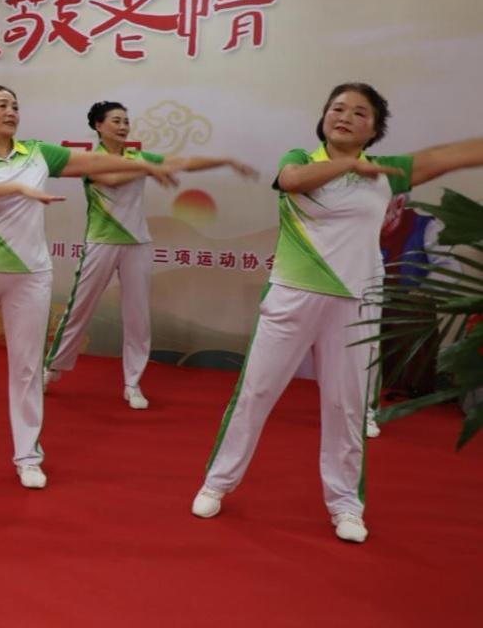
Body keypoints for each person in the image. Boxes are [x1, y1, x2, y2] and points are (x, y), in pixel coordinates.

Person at [193, 83, 482, 543]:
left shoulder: (390, 173)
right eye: (338, 108)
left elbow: (452, 154)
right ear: (324, 116)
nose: (345, 116)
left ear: (375, 129)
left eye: (359, 112)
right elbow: (291, 181)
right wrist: (349, 164)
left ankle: (346, 504)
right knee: (255, 394)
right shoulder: (301, 159)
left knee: (345, 406)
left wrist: (368, 167)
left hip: (355, 302)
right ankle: (217, 483)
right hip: (292, 295)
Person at [0, 85, 177, 489]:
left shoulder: (38, 153)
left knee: (25, 368)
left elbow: (99, 164)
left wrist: (152, 165)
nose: (11, 112)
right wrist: (17, 188)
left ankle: (27, 455)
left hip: (31, 275)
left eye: (15, 106)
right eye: (2, 105)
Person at [44, 101, 257, 408]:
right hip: (102, 242)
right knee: (79, 309)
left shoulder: (138, 157)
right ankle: (52, 368)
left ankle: (132, 383)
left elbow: (182, 162)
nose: (123, 126)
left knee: (137, 318)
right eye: (116, 121)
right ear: (98, 126)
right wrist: (149, 168)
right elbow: (112, 178)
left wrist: (224, 160)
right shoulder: (91, 160)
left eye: (126, 121)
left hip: (138, 244)